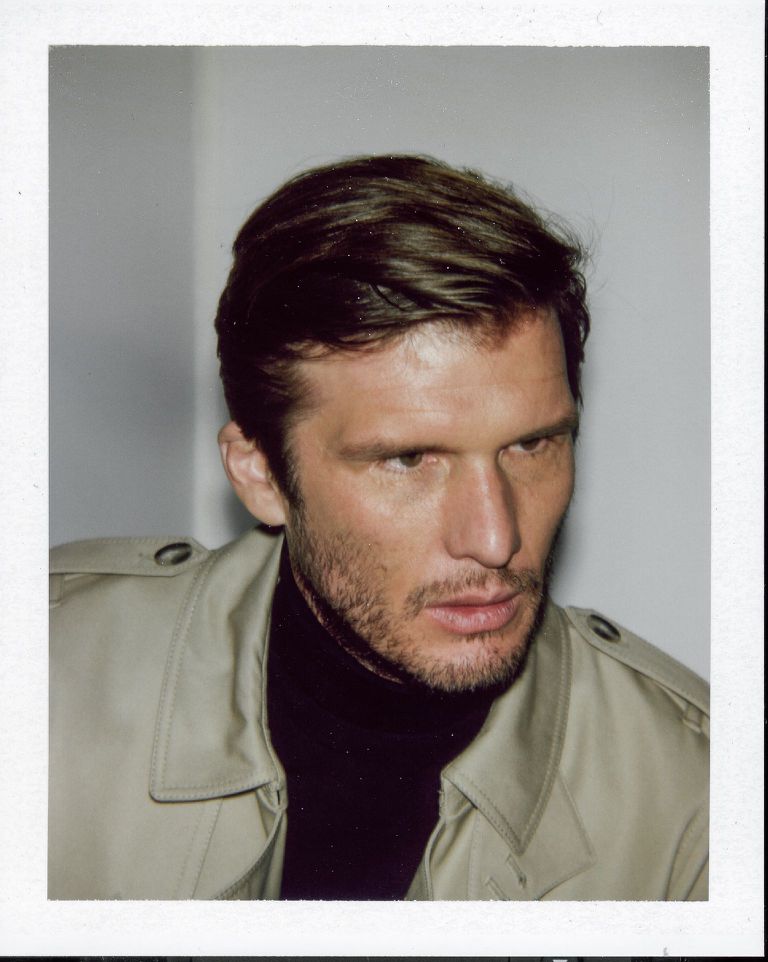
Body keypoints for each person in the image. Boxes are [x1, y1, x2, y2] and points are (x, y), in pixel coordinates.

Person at [49, 155, 709, 901]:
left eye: (531, 446)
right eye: (408, 459)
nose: (495, 539)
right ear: (261, 475)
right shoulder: (49, 673)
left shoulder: (698, 801)